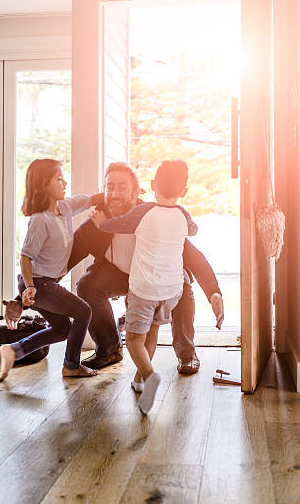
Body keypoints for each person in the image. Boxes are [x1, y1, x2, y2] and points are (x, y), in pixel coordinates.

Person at [68, 161, 224, 374]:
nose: (114, 193)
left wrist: (214, 292)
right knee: (87, 285)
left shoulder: (153, 215)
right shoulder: (97, 221)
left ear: (136, 192)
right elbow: (68, 256)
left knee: (183, 286)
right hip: (120, 275)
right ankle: (110, 349)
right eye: (109, 187)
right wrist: (33, 288)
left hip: (159, 275)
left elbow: (193, 256)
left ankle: (186, 354)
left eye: (121, 187)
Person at [93, 160, 197, 413]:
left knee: (133, 340)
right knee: (151, 332)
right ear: (184, 191)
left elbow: (115, 225)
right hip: (171, 290)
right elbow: (193, 230)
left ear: (152, 186)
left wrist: (100, 223)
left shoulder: (144, 211)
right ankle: (139, 380)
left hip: (144, 289)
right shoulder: (183, 214)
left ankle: (150, 376)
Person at [0, 158, 104, 381]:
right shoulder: (39, 220)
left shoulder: (64, 207)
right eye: (59, 179)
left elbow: (93, 199)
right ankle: (71, 366)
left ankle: (13, 350)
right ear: (43, 183)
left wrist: (126, 195)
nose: (64, 183)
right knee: (83, 311)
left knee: (61, 329)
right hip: (39, 284)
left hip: (45, 284)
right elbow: (26, 257)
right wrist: (28, 288)